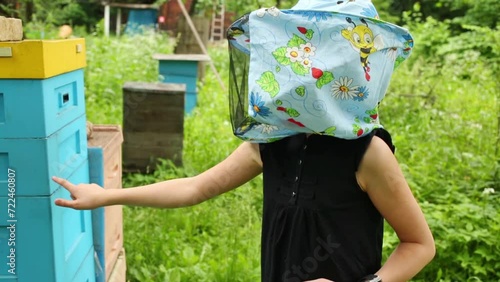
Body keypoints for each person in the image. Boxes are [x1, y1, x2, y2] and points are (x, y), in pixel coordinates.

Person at [54, 1, 435, 281]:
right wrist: (106, 196)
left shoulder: (368, 153)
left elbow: (419, 245)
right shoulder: (273, 140)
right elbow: (194, 187)